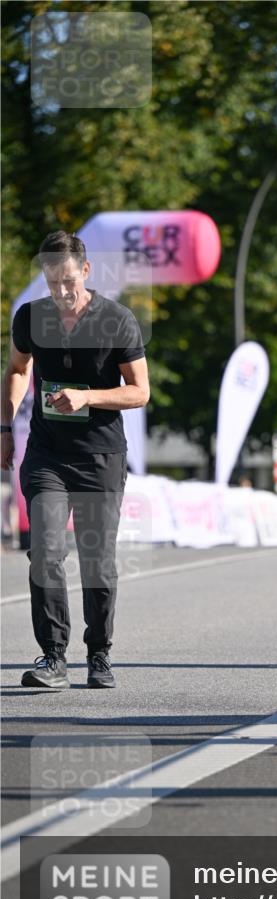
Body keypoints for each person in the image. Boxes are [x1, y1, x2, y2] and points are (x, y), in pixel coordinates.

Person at [0, 231, 149, 689]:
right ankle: (53, 657)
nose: (61, 290)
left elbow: (140, 391)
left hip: (100, 456)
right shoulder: (31, 317)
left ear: (85, 271)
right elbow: (18, 369)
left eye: (68, 280)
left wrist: (88, 397)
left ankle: (99, 654)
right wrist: (5, 427)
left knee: (96, 559)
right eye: (52, 282)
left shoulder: (117, 319)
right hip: (47, 454)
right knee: (45, 552)